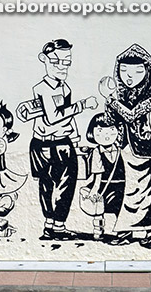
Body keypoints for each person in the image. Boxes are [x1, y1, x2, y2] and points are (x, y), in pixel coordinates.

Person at [99, 43, 151, 247]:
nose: (130, 76)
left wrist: (112, 101)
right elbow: (110, 120)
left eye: (138, 71)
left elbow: (131, 115)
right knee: (127, 193)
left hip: (148, 150)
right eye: (123, 71)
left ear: (147, 72)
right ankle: (126, 231)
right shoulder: (118, 95)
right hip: (124, 149)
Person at [29, 39, 98, 240]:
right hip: (45, 144)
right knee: (48, 186)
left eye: (66, 62)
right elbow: (53, 117)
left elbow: (67, 117)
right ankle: (53, 225)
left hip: (62, 141)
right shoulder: (42, 88)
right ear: (44, 59)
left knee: (65, 184)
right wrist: (83, 105)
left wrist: (75, 139)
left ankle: (54, 224)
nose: (61, 66)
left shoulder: (65, 88)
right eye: (55, 61)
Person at [81, 113, 125, 240]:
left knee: (120, 208)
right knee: (98, 208)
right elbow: (98, 172)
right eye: (100, 131)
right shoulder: (97, 151)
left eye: (112, 130)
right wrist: (95, 188)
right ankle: (98, 229)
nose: (106, 135)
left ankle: (121, 231)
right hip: (102, 183)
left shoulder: (121, 149)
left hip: (120, 183)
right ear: (92, 133)